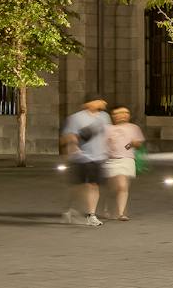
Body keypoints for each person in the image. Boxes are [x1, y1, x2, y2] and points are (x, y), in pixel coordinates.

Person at [59, 97, 110, 226]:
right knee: (78, 187)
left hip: (98, 157)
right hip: (81, 157)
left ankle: (91, 215)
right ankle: (69, 209)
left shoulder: (105, 117)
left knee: (93, 185)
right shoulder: (76, 118)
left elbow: (107, 134)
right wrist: (73, 146)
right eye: (99, 100)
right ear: (90, 103)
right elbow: (68, 136)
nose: (103, 103)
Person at [101, 105, 146, 221]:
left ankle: (121, 213)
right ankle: (107, 207)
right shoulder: (108, 129)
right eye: (119, 113)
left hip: (127, 159)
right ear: (113, 116)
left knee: (123, 185)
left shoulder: (134, 128)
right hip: (111, 161)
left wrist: (134, 144)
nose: (123, 115)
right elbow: (102, 145)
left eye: (126, 113)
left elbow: (136, 145)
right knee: (113, 188)